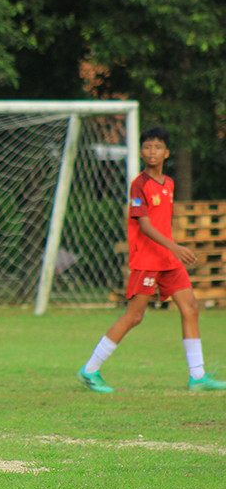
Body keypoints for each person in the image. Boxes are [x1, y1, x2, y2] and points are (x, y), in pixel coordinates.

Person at [77, 126, 224, 393]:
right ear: (142, 151)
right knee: (134, 316)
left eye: (157, 147)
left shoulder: (168, 183)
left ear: (166, 153)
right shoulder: (139, 184)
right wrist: (175, 246)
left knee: (190, 308)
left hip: (168, 259)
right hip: (147, 259)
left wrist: (172, 250)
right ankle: (90, 370)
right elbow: (144, 226)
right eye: (147, 147)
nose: (151, 151)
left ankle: (198, 377)